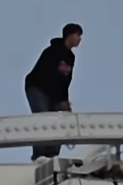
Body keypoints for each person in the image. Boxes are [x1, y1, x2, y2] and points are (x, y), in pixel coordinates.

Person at [24, 23, 83, 160]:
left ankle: (52, 155)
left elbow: (65, 82)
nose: (80, 39)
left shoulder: (70, 58)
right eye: (78, 35)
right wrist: (58, 101)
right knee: (43, 118)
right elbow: (47, 76)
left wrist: (64, 102)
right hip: (37, 87)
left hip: (53, 93)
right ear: (70, 35)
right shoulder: (52, 52)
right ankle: (39, 155)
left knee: (59, 121)